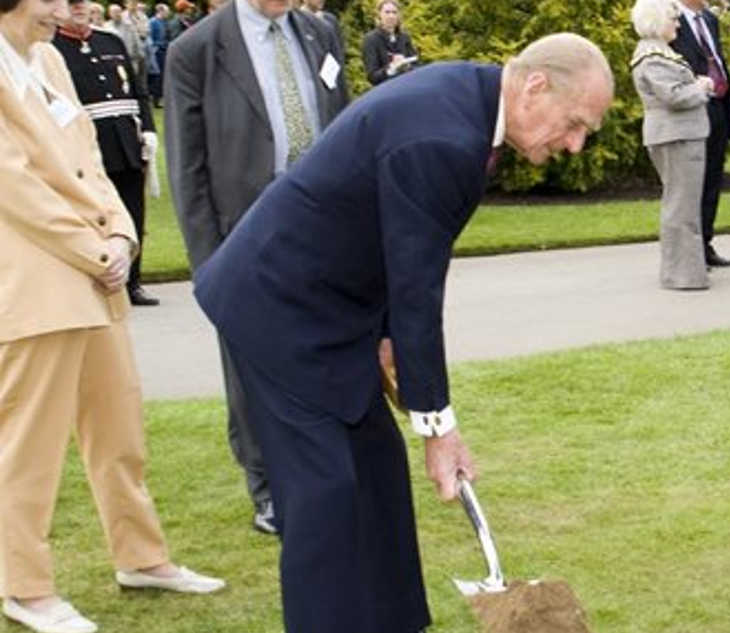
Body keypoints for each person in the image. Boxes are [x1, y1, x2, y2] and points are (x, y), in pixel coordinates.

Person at [192, 34, 614, 633]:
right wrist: (438, 427)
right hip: (278, 307)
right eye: (574, 124)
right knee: (326, 496)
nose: (574, 144)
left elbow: (398, 243)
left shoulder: (469, 103)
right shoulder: (445, 137)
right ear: (535, 85)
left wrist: (388, 340)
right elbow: (419, 287)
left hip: (337, 310)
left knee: (379, 474)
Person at [1, 0, 228, 630]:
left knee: (119, 428)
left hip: (94, 270)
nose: (65, 6)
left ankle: (142, 557)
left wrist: (123, 236)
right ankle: (25, 586)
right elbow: (12, 185)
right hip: (33, 279)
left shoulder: (47, 59)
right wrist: (90, 247)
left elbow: (92, 159)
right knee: (29, 445)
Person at [163, 0, 350, 535]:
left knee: (327, 351)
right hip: (246, 237)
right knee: (252, 369)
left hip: (324, 226)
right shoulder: (195, 50)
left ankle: (328, 472)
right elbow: (187, 169)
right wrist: (209, 265)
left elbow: (344, 125)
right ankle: (268, 487)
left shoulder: (319, 33)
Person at [54, 0, 159, 306]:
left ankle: (133, 282)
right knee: (95, 217)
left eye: (82, 3)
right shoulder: (53, 48)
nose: (78, 8)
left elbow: (137, 89)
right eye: (71, 4)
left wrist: (149, 129)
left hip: (126, 142)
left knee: (132, 214)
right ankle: (100, 279)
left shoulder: (109, 41)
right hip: (88, 148)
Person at [632, 0, 713, 291]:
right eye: (672, 18)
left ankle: (682, 271)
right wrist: (701, 87)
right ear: (656, 21)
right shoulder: (653, 55)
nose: (678, 24)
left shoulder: (660, 52)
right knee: (682, 207)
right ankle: (684, 275)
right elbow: (675, 97)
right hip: (676, 136)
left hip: (677, 135)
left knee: (681, 205)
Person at [671, 0, 730, 268]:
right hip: (693, 110)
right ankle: (690, 250)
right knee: (692, 185)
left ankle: (705, 242)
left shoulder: (709, 20)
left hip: (719, 106)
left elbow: (717, 60)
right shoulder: (671, 19)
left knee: (712, 179)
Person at [362, 0, 415, 85]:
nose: (391, 16)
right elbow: (372, 77)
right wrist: (391, 68)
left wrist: (407, 65)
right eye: (387, 12)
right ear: (379, 15)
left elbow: (416, 65)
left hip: (407, 88)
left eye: (394, 12)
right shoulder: (371, 39)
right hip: (386, 90)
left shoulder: (405, 37)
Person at [146, 2, 167, 104]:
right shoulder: (153, 22)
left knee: (162, 75)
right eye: (166, 12)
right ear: (160, 11)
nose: (167, 14)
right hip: (156, 51)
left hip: (163, 50)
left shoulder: (163, 22)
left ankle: (158, 97)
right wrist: (156, 47)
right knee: (156, 75)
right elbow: (151, 37)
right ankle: (155, 98)